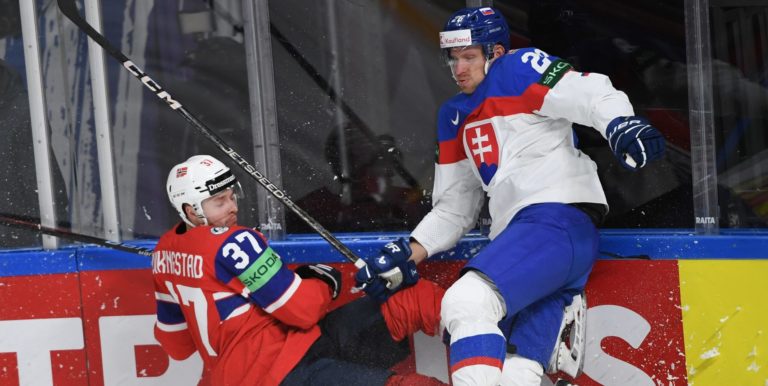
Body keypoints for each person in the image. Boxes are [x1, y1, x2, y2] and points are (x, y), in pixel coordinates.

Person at [365, 7, 666, 386]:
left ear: (496, 53)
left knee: (467, 302)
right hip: (526, 246)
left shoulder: (518, 67)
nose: (459, 68)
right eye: (454, 58)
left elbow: (589, 90)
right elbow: (456, 208)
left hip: (557, 222)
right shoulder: (452, 116)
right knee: (515, 370)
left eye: (470, 56)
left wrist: (621, 124)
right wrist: (409, 252)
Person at [152, 154, 446, 386]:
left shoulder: (164, 253)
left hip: (293, 350)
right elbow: (303, 310)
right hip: (283, 372)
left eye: (231, 196)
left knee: (410, 300)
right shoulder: (235, 242)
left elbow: (176, 346)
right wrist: (321, 281)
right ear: (191, 211)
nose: (232, 207)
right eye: (219, 201)